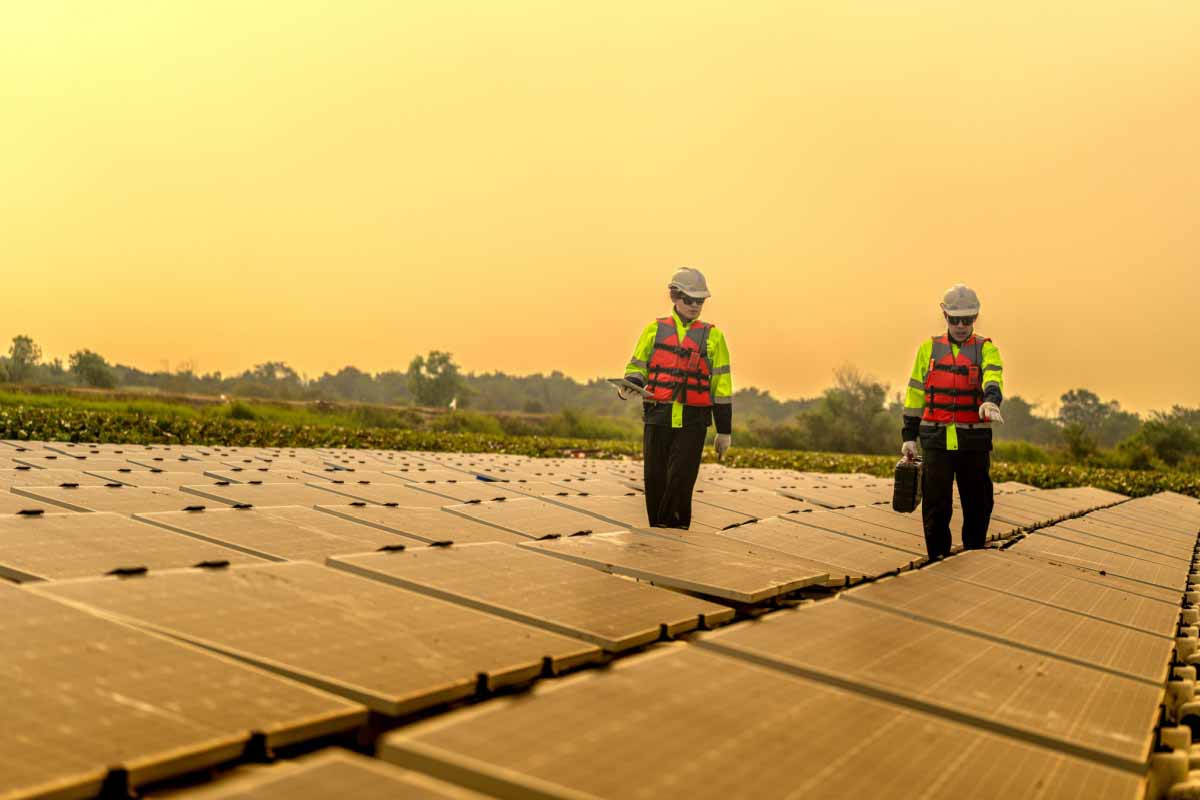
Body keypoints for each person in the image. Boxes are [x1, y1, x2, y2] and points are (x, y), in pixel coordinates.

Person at [617, 267, 733, 529]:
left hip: (693, 420)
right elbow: (637, 368)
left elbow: (722, 386)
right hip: (658, 416)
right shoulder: (653, 330)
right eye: (689, 300)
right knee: (655, 478)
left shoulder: (714, 336)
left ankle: (677, 533)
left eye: (700, 301)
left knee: (681, 478)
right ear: (675, 297)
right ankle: (657, 534)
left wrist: (724, 430)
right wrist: (630, 385)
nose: (695, 306)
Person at [901, 284, 1005, 560]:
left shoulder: (986, 349)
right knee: (936, 503)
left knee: (979, 501)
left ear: (975, 318)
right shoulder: (928, 349)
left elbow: (993, 377)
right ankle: (937, 558)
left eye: (968, 320)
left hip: (974, 439)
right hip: (935, 438)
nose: (961, 325)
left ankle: (973, 553)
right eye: (955, 319)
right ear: (944, 315)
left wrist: (991, 400)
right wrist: (909, 437)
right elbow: (914, 394)